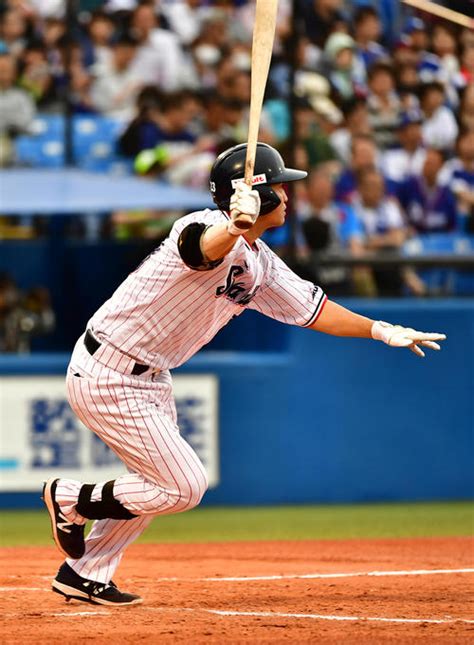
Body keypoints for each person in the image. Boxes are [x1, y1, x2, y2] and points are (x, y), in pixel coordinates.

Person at [42, 143, 446, 607]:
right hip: (108, 370)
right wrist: (231, 224)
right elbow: (201, 249)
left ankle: (84, 571)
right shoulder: (199, 227)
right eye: (278, 186)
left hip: (151, 376)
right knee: (182, 485)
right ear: (257, 197)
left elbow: (315, 311)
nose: (287, 194)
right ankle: (71, 497)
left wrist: (380, 329)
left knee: (151, 482)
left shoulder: (260, 261)